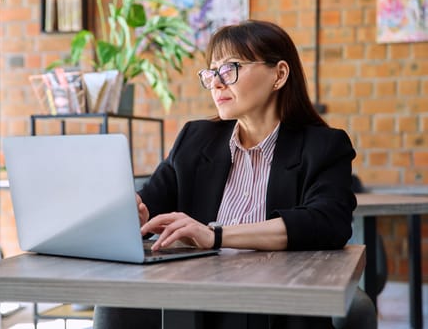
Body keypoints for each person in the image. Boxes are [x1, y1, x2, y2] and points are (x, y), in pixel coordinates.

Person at [93, 19, 369, 329]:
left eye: (230, 68)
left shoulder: (323, 145)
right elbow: (153, 202)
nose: (216, 83)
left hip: (277, 303)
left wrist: (215, 235)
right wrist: (135, 213)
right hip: (195, 297)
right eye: (211, 73)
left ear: (279, 74)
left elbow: (328, 222)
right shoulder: (195, 139)